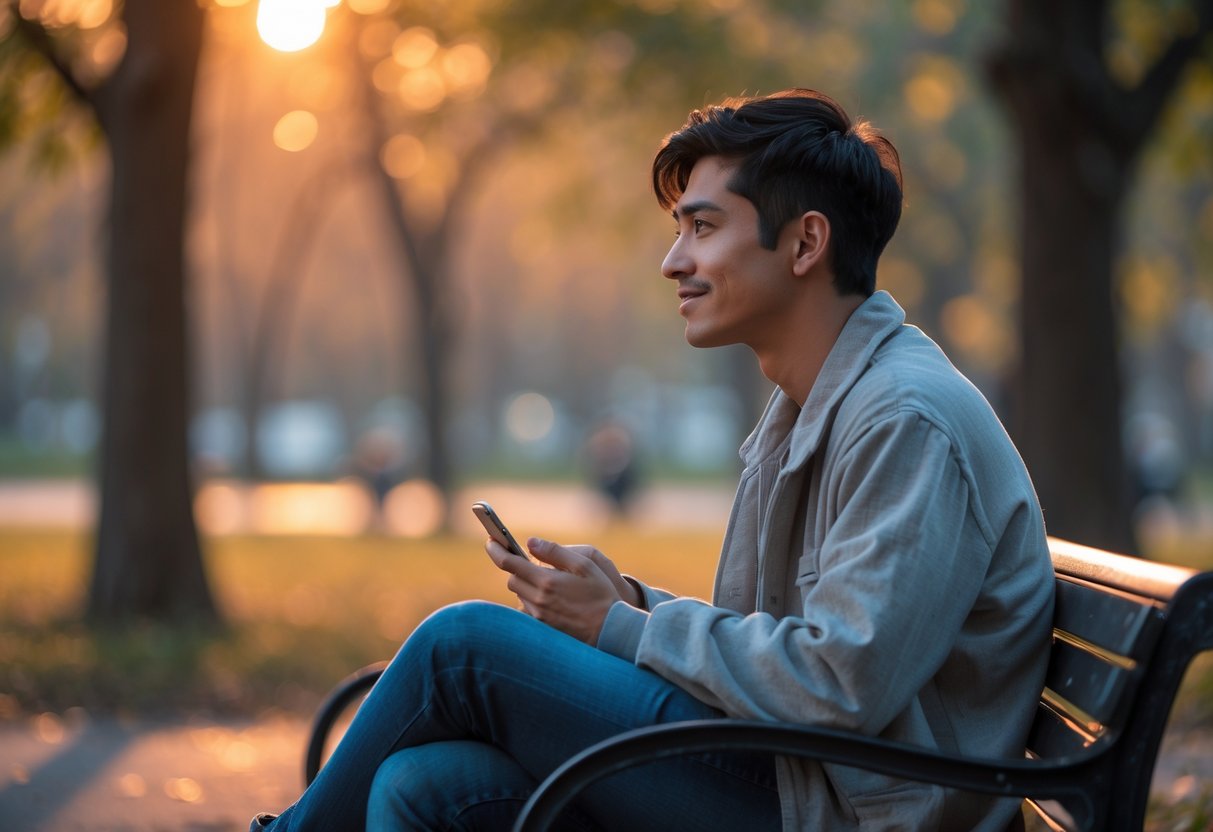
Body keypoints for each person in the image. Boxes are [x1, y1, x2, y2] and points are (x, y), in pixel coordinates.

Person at [251, 89, 1054, 831]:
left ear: (806, 242)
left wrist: (622, 629)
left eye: (702, 228)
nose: (674, 262)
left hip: (846, 808)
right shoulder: (820, 403)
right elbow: (799, 647)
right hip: (804, 776)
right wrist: (629, 603)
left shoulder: (903, 419)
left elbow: (838, 685)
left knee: (460, 646)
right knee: (421, 786)